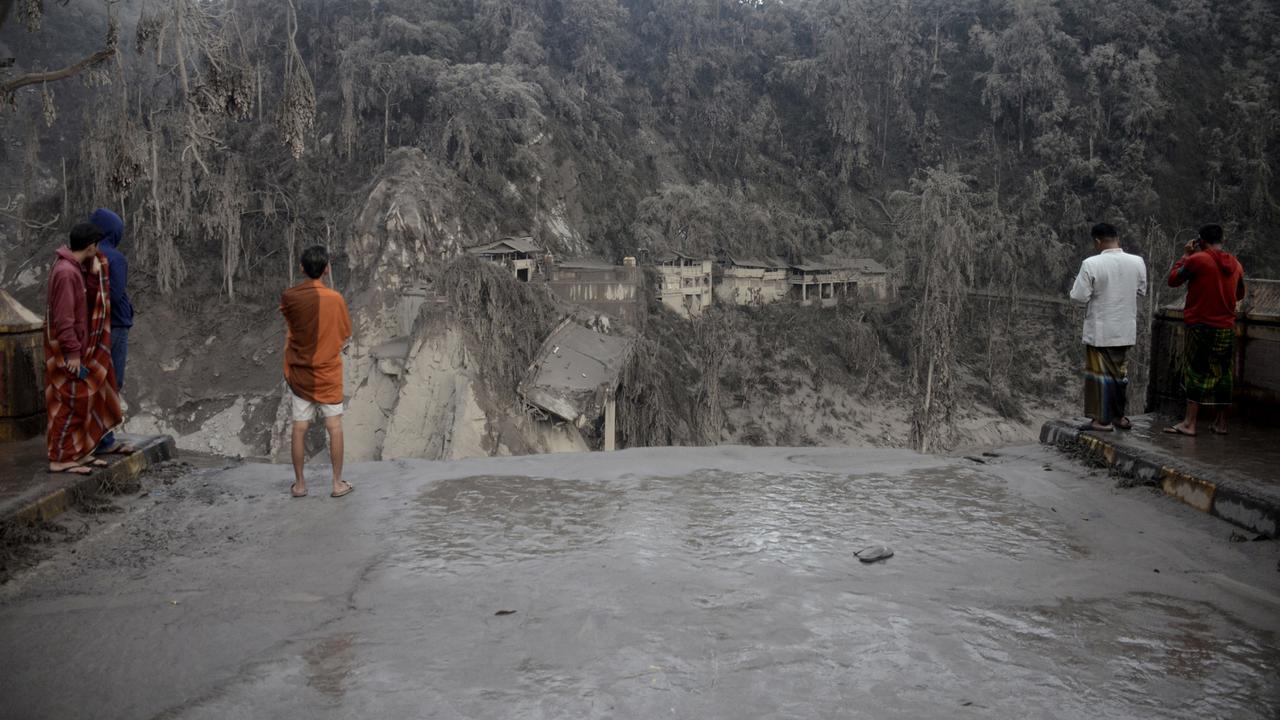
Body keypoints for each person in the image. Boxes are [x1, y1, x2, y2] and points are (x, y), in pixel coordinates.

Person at [45, 223, 124, 474]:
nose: (98, 250)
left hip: (75, 344)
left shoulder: (73, 268)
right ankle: (60, 458)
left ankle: (75, 453)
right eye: (96, 246)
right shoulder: (66, 272)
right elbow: (64, 318)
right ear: (90, 246)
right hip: (68, 347)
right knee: (71, 399)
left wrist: (92, 274)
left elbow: (84, 299)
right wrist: (72, 353)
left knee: (81, 398)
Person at [280, 245, 353, 498]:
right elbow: (344, 334)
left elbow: (291, 323)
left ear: (301, 268)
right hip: (328, 374)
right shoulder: (336, 299)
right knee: (334, 427)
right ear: (327, 269)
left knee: (299, 428)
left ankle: (300, 485)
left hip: (300, 373)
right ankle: (336, 484)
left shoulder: (289, 296)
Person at [1164, 225, 1246, 436]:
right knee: (1224, 373)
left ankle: (1190, 423)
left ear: (1201, 241)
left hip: (1200, 325)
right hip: (1226, 327)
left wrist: (1185, 255)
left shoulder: (1197, 260)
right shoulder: (1236, 264)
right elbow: (1239, 294)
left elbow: (1174, 280)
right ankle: (1221, 423)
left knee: (1196, 371)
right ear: (1221, 239)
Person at [1069, 223, 1148, 432]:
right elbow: (1141, 290)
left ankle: (1101, 421)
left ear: (1097, 241)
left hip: (1101, 329)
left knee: (1100, 377)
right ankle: (1120, 417)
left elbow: (1078, 296)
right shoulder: (1137, 262)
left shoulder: (1091, 264)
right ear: (1117, 238)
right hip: (1125, 328)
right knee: (1120, 375)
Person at [90, 208, 136, 456]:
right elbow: (115, 295)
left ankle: (94, 436)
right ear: (113, 231)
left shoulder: (89, 254)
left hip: (94, 327)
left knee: (96, 379)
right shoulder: (114, 258)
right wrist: (128, 309)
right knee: (112, 380)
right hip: (115, 325)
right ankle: (105, 439)